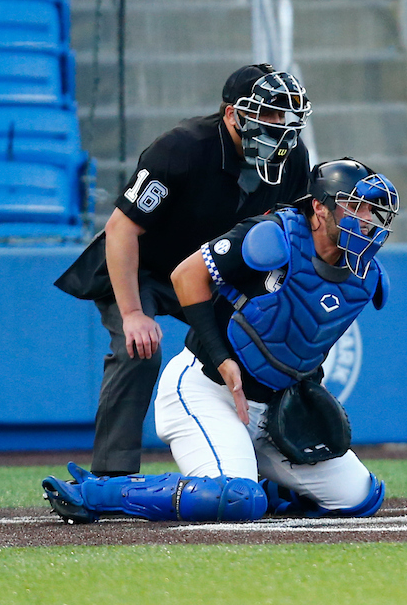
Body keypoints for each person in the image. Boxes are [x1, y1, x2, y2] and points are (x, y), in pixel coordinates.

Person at [42, 159, 398, 523]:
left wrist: (306, 393)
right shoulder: (273, 236)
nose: (366, 218)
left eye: (371, 208)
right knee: (236, 499)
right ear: (320, 207)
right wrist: (222, 357)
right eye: (354, 206)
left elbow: (307, 337)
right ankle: (98, 491)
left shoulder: (365, 275)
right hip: (205, 388)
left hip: (272, 412)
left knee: (361, 497)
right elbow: (185, 276)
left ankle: (275, 491)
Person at [54, 64, 312, 478]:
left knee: (262, 343)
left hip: (215, 270)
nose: (279, 127)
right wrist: (135, 314)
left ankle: (278, 464)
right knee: (137, 349)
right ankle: (111, 477)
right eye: (269, 113)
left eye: (286, 116)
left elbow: (295, 234)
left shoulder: (294, 158)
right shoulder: (182, 148)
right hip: (147, 267)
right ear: (233, 114)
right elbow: (121, 229)